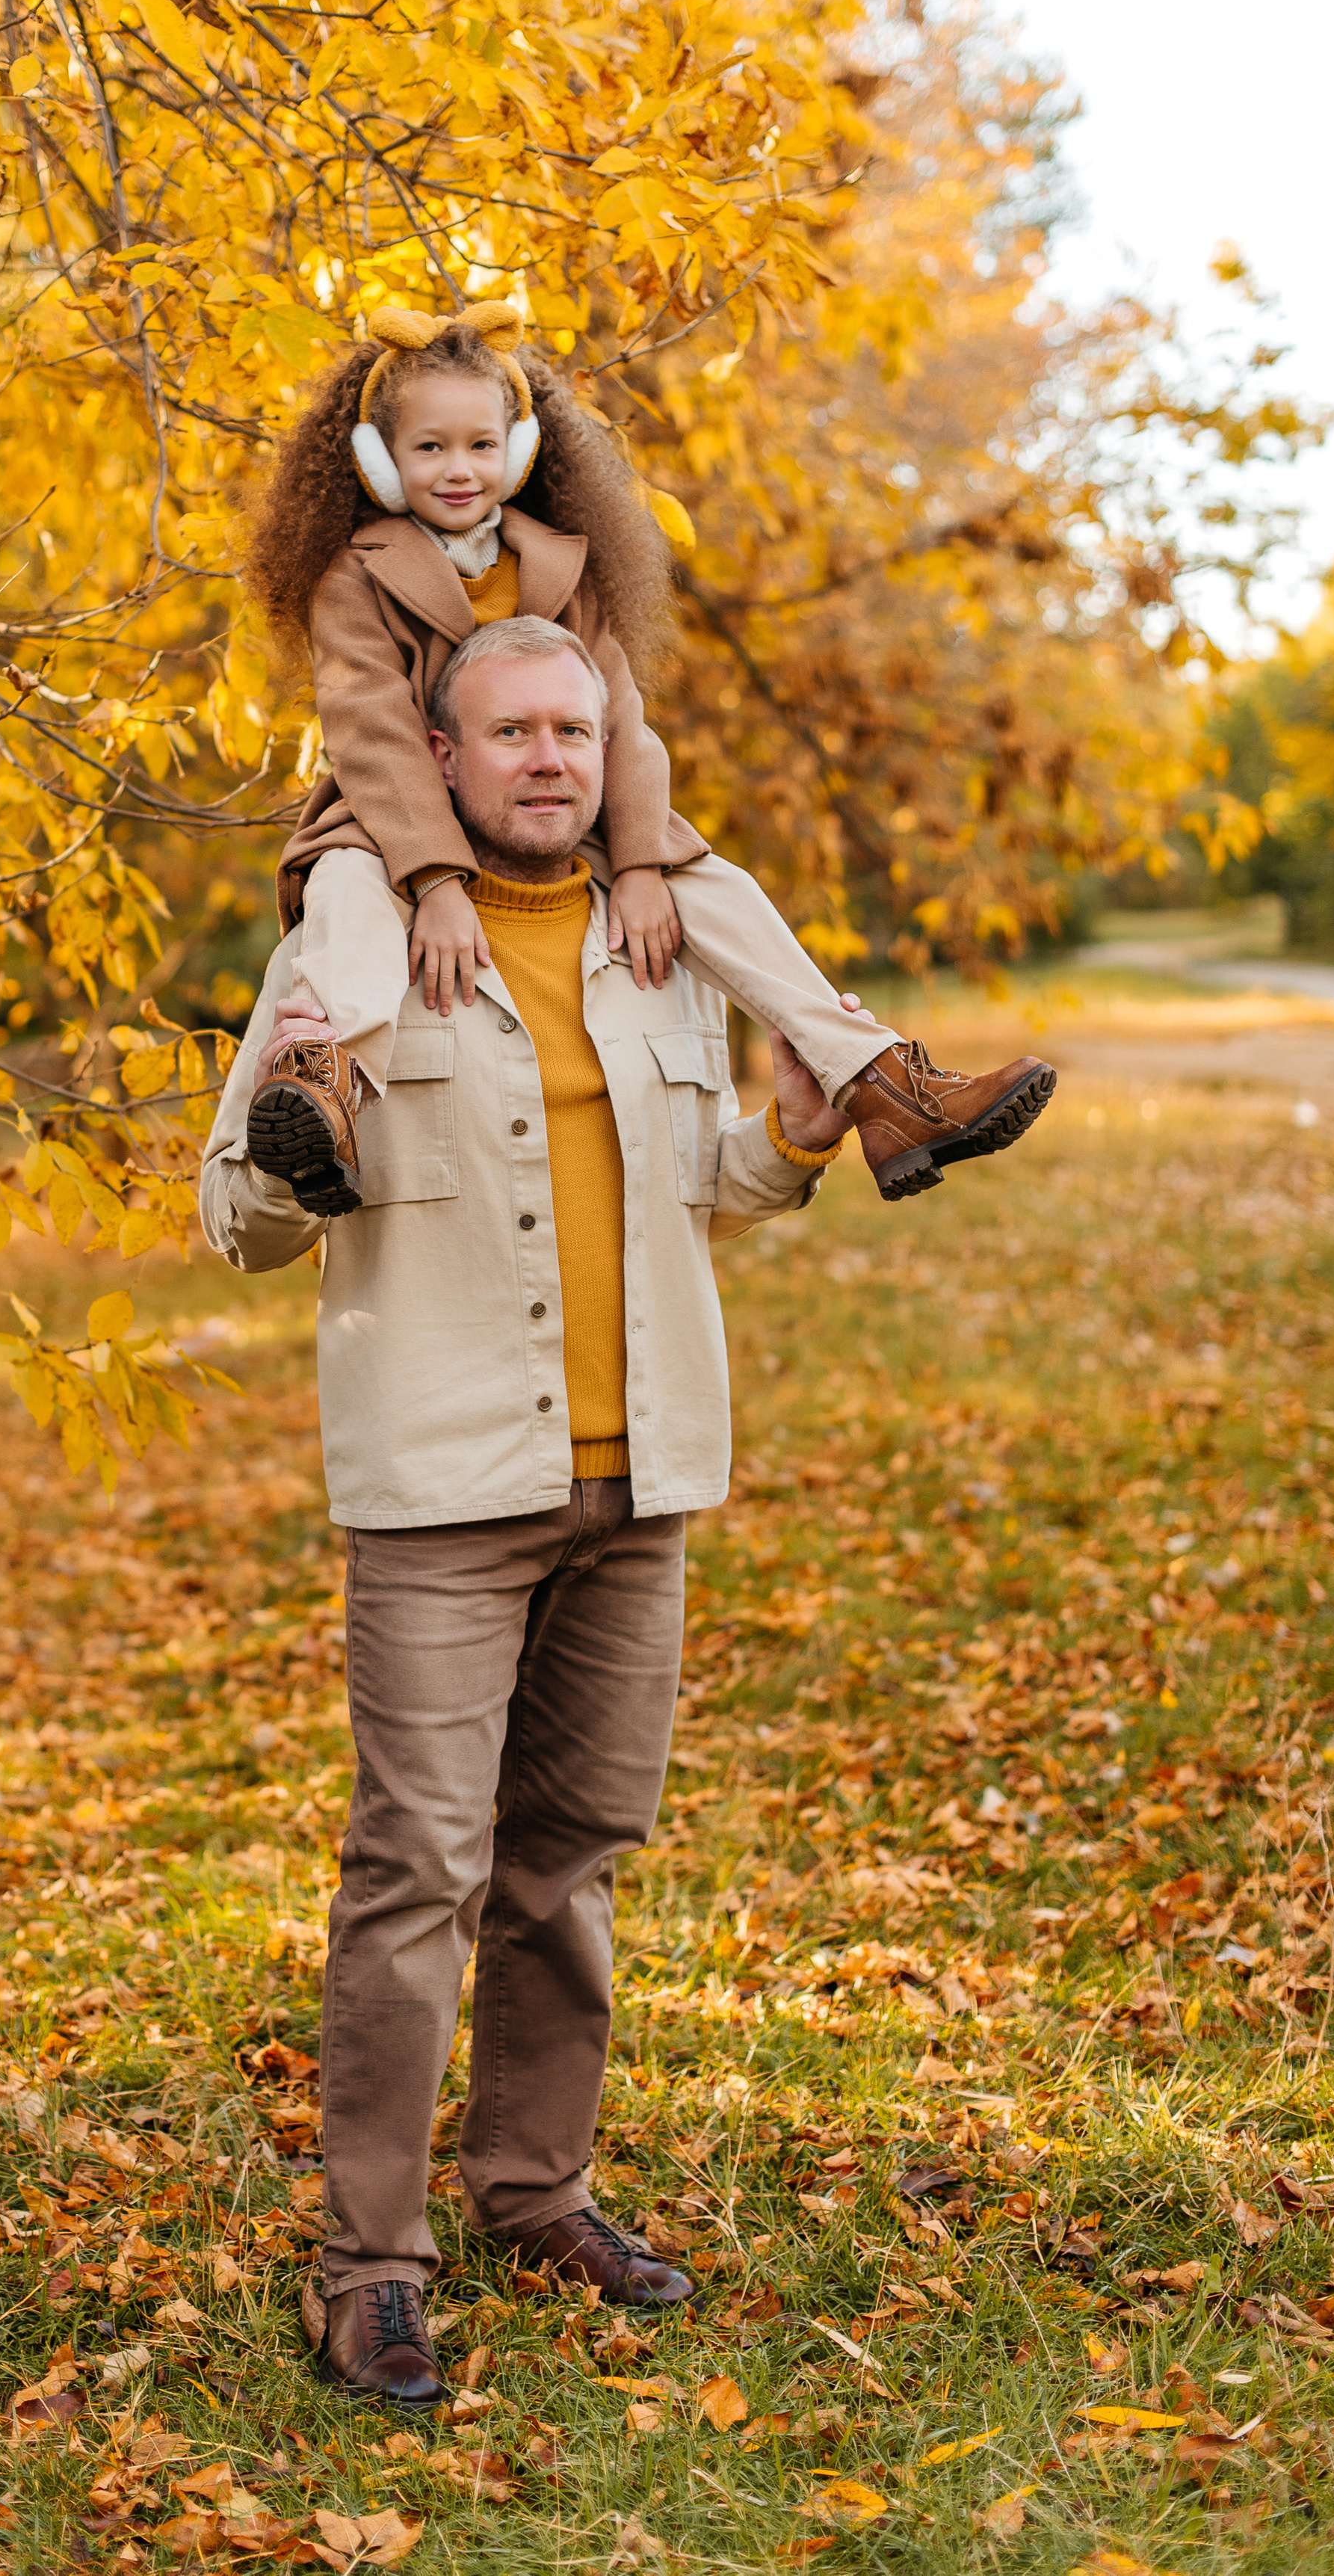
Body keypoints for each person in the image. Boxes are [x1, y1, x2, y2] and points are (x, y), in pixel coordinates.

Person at [200, 616, 865, 2409]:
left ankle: (536, 2190)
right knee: (417, 1869)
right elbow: (231, 1216)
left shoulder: (660, 938)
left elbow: (698, 1179)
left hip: (635, 1476)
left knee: (563, 1862)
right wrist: (281, 1137)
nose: (550, 759)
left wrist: (789, 1140)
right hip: (439, 1489)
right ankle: (371, 2265)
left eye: (574, 727)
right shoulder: (352, 942)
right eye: (509, 732)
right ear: (435, 748)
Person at [241, 297, 1054, 1221]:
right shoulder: (357, 574)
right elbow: (371, 729)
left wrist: (635, 865)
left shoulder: (562, 565)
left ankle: (880, 1085)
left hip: (549, 808)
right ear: (378, 462)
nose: (457, 470)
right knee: (345, 889)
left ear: (516, 449)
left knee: (715, 885)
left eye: (479, 445)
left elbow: (619, 720)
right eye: (428, 449)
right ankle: (323, 1092)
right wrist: (431, 882)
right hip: (399, 820)